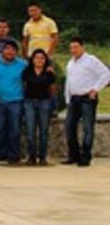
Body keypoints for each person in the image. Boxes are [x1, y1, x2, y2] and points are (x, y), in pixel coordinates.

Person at [63, 38, 109, 167]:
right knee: (69, 126)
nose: (73, 50)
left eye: (76, 47)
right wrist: (67, 99)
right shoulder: (70, 63)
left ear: (82, 47)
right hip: (74, 98)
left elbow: (105, 74)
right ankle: (74, 154)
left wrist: (96, 88)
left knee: (87, 128)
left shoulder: (91, 60)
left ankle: (86, 156)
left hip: (87, 98)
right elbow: (68, 82)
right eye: (71, 47)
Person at [0, 41, 28, 164]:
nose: (9, 52)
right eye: (7, 49)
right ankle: (0, 153)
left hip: (16, 100)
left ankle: (13, 154)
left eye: (12, 49)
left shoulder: (23, 64)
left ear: (16, 52)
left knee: (15, 129)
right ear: (2, 50)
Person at [21, 49, 56, 166]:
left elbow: (52, 89)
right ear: (32, 60)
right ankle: (31, 157)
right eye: (36, 58)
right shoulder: (27, 71)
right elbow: (23, 86)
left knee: (44, 131)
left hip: (44, 102)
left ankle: (42, 157)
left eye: (42, 58)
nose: (39, 60)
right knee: (30, 131)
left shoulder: (49, 73)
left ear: (45, 60)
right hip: (29, 102)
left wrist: (54, 103)